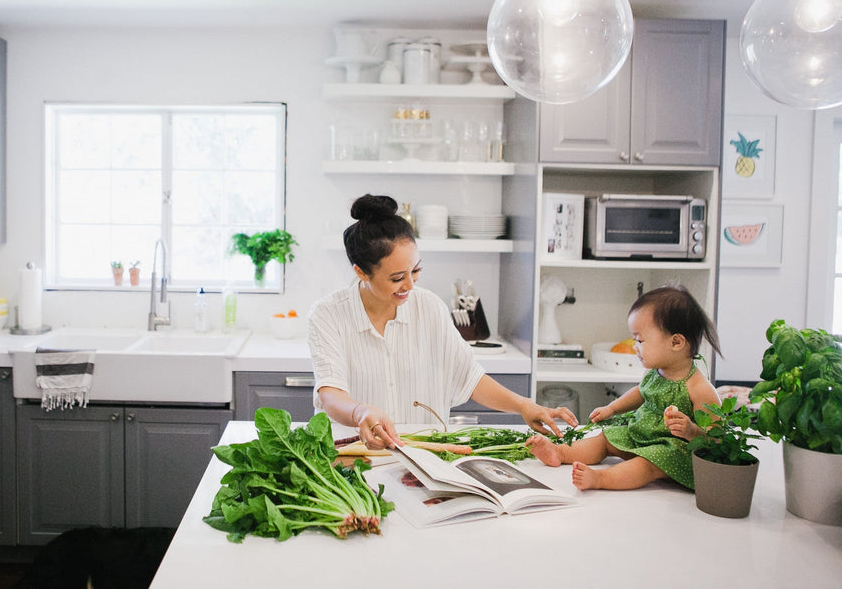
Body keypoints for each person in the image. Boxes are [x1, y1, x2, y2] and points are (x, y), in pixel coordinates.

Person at [308, 194, 577, 450]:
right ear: (361, 272)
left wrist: (523, 405)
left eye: (416, 270)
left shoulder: (429, 307)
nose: (410, 285)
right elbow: (331, 394)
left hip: (425, 455)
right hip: (356, 454)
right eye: (397, 278)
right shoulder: (328, 315)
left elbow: (469, 377)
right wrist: (360, 412)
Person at [526, 285, 721, 491]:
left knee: (646, 464)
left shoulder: (699, 388)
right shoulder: (657, 372)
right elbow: (640, 392)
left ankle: (600, 479)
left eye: (640, 340)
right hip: (641, 436)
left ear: (676, 342)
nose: (635, 346)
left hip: (671, 453)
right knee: (605, 439)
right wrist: (612, 408)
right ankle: (560, 453)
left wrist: (691, 430)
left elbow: (716, 439)